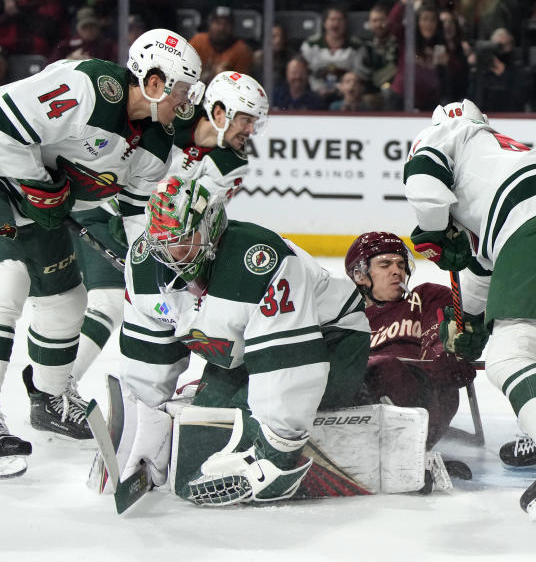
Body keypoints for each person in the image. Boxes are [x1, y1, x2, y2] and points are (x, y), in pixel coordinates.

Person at [0, 28, 204, 476]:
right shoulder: (87, 87)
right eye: (183, 91)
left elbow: (138, 221)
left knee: (65, 303)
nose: (186, 104)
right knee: (7, 287)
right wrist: (38, 183)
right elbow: (4, 121)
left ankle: (49, 400)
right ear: (154, 83)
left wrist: (152, 275)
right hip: (5, 181)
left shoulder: (155, 141)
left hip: (39, 209)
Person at [404, 99, 536, 521]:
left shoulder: (444, 134)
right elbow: (483, 268)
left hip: (533, 221)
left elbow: (422, 182)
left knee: (508, 354)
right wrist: (468, 323)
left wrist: (436, 230)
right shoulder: (498, 155)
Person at [114, 175, 370, 505]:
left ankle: (291, 448)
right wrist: (143, 427)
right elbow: (148, 356)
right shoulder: (144, 264)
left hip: (331, 337)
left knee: (241, 421)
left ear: (211, 225)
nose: (172, 253)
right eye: (162, 242)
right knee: (207, 422)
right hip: (247, 348)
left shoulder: (260, 262)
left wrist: (277, 451)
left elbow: (289, 362)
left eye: (184, 238)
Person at [69, 71, 269, 389]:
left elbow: (194, 219)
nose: (250, 130)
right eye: (245, 119)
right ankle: (59, 386)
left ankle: (63, 383)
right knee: (102, 301)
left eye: (254, 121)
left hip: (150, 234)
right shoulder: (173, 115)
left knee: (130, 304)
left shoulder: (232, 165)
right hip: (103, 207)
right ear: (219, 111)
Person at [344, 231, 481, 449]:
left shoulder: (425, 297)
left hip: (421, 397)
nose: (396, 270)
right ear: (360, 275)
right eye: (385, 264)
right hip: (351, 404)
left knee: (387, 368)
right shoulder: (344, 317)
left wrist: (446, 352)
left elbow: (440, 336)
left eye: (401, 264)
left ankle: (406, 450)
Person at [189, 6, 254, 85]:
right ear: (209, 24)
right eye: (217, 23)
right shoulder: (198, 41)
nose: (221, 28)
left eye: (226, 24)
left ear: (233, 27)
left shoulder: (242, 50)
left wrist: (224, 76)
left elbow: (242, 85)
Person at [48, 6, 116, 62]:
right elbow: (52, 66)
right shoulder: (66, 45)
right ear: (79, 29)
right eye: (85, 27)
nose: (89, 31)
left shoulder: (107, 46)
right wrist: (69, 59)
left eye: (92, 26)